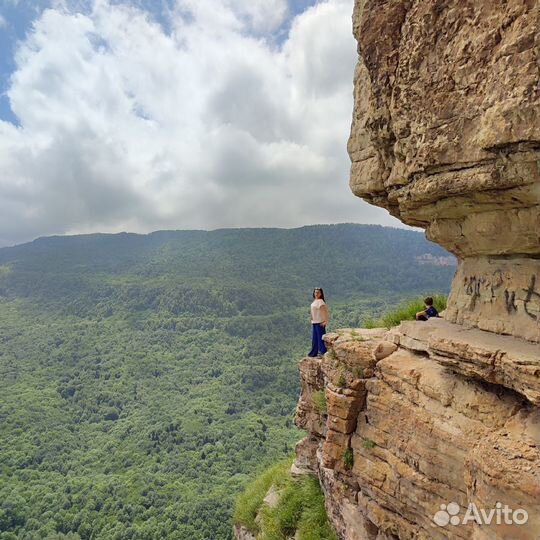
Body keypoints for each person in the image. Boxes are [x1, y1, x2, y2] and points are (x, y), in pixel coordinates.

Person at [308, 287, 329, 357]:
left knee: (320, 338)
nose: (316, 294)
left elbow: (325, 312)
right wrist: (311, 318)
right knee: (315, 339)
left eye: (318, 292)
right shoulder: (315, 301)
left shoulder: (321, 302)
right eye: (315, 292)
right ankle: (314, 352)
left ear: (321, 293)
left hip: (320, 322)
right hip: (314, 322)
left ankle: (322, 352)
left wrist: (326, 321)